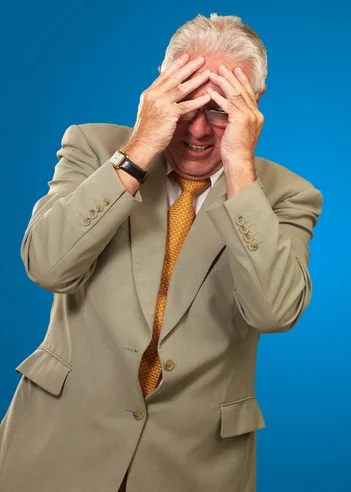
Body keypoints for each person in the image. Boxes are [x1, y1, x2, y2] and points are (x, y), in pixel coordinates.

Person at [0, 13, 322, 492]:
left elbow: (274, 313)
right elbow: (46, 266)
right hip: (56, 445)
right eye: (186, 102)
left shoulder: (287, 195)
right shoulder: (92, 146)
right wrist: (140, 148)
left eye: (219, 110)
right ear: (160, 87)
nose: (196, 129)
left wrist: (239, 169)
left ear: (254, 105)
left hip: (195, 465)